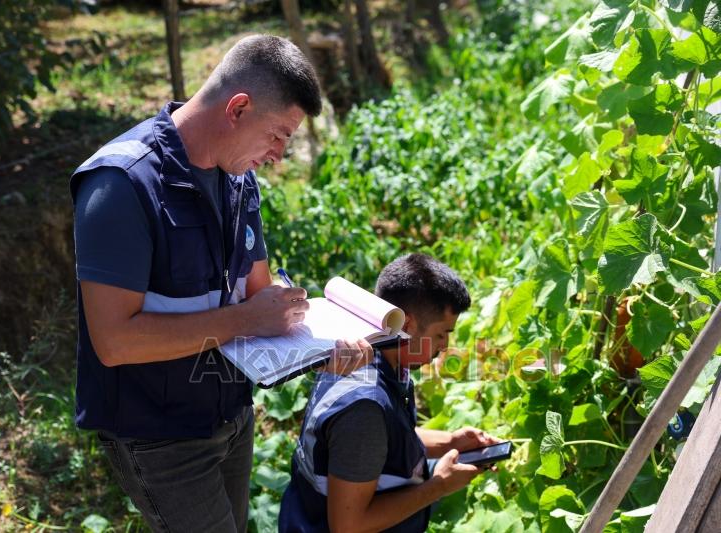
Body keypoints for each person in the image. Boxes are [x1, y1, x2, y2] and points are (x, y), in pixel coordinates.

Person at [70, 35, 372, 533]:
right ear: (238, 108)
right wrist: (246, 319)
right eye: (277, 136)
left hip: (231, 418)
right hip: (159, 436)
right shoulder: (121, 185)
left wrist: (324, 348)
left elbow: (258, 294)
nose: (278, 155)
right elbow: (114, 342)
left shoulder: (237, 177)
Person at [279, 253, 501, 532]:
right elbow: (349, 526)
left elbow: (384, 443)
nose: (445, 346)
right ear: (406, 326)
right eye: (442, 334)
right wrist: (438, 486)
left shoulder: (367, 353)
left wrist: (451, 442)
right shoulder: (364, 410)